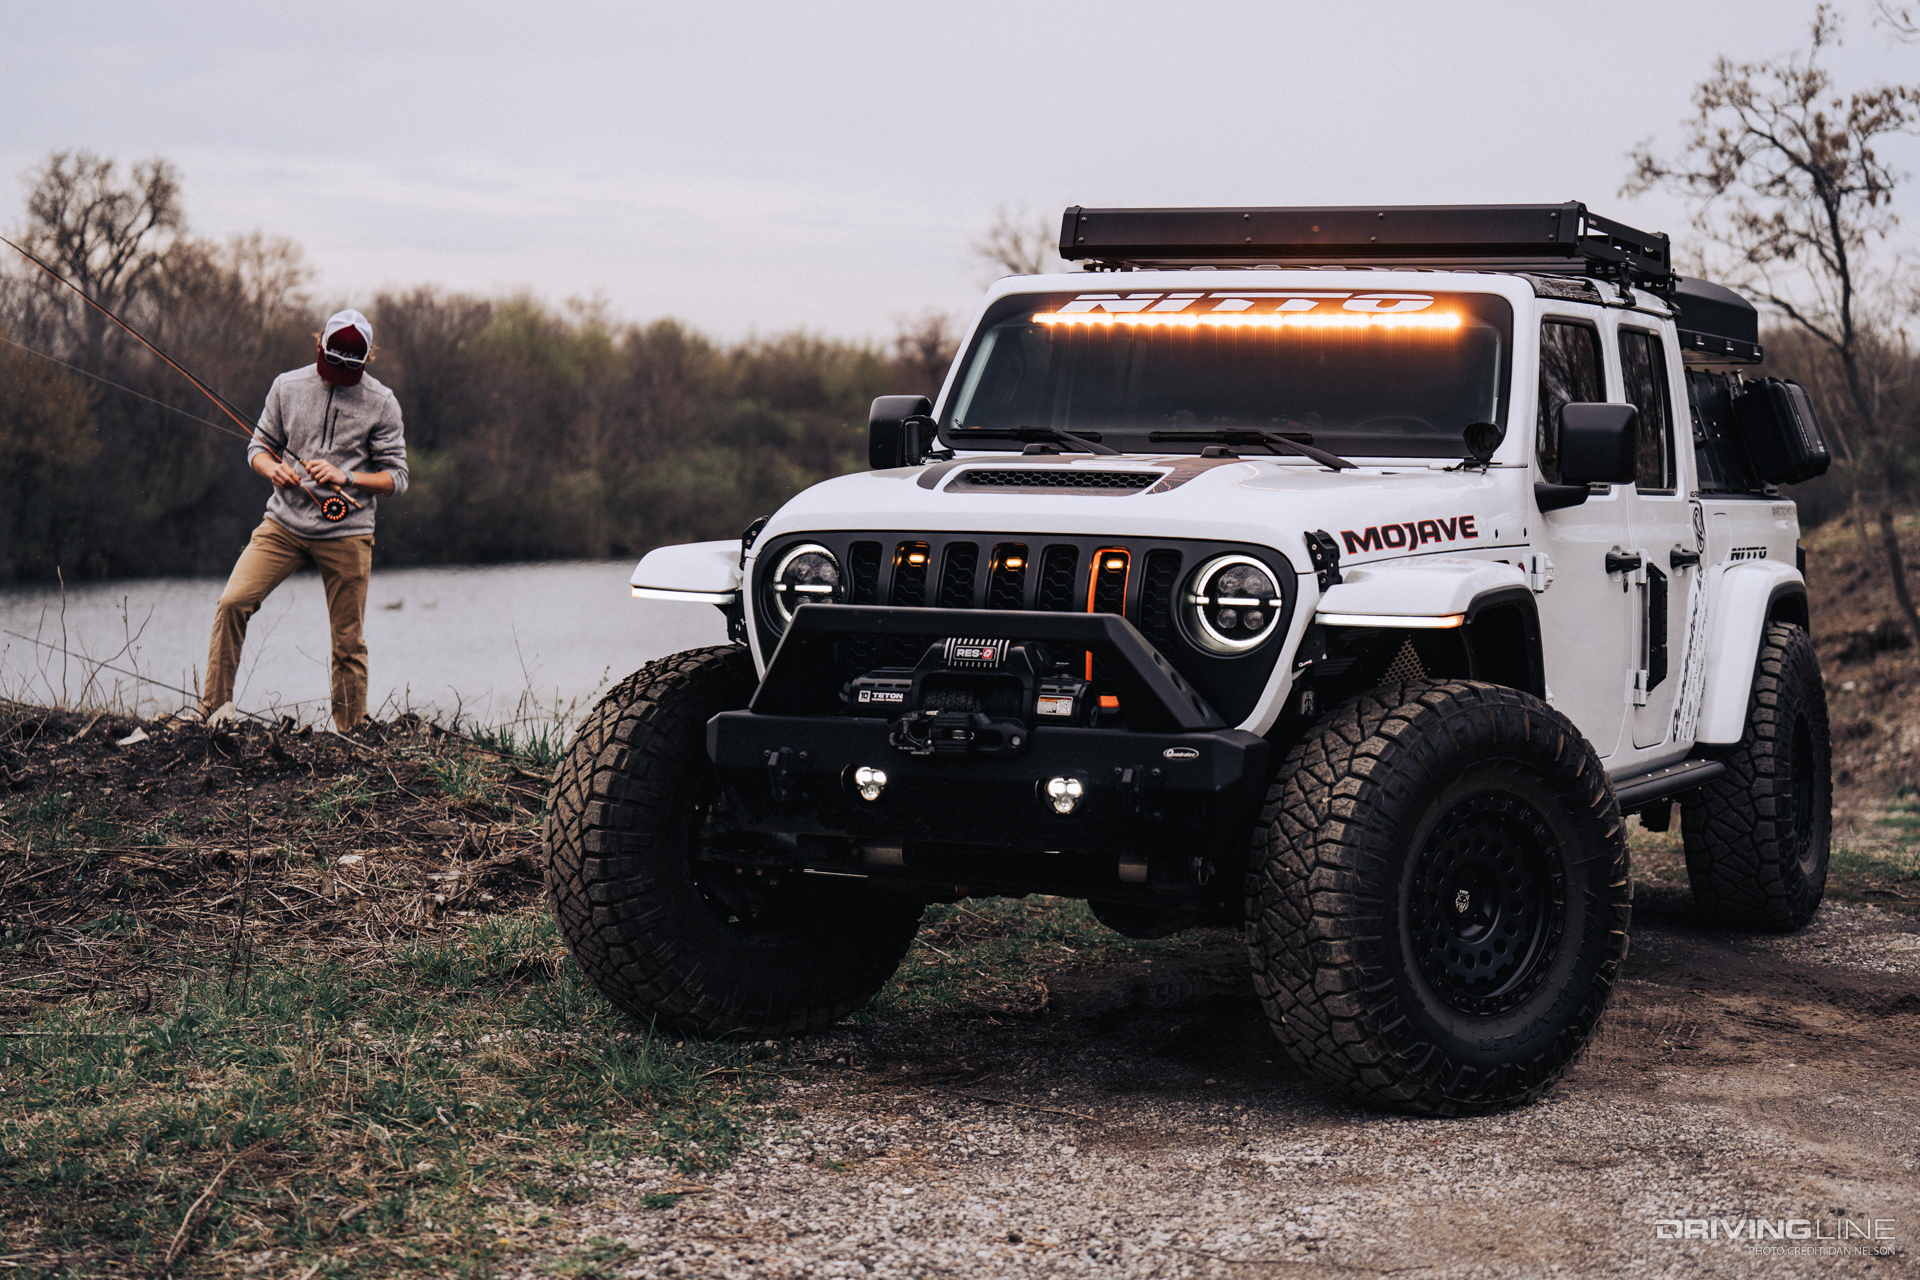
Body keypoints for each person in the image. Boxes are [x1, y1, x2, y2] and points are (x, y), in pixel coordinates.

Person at [190, 309, 408, 731]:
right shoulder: (286, 387)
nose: (338, 378)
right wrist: (271, 469)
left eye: (349, 372)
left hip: (348, 530)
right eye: (332, 367)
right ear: (318, 346)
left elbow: (397, 478)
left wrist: (348, 476)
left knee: (348, 642)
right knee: (232, 603)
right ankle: (213, 713)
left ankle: (351, 732)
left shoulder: (382, 401)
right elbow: (257, 448)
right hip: (283, 526)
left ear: (366, 362)